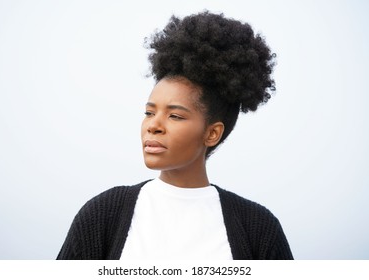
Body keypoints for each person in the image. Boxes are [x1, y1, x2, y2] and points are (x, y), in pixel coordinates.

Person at [57, 11, 293, 260]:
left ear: (212, 133)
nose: (153, 126)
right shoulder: (104, 215)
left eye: (175, 116)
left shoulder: (258, 228)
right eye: (149, 112)